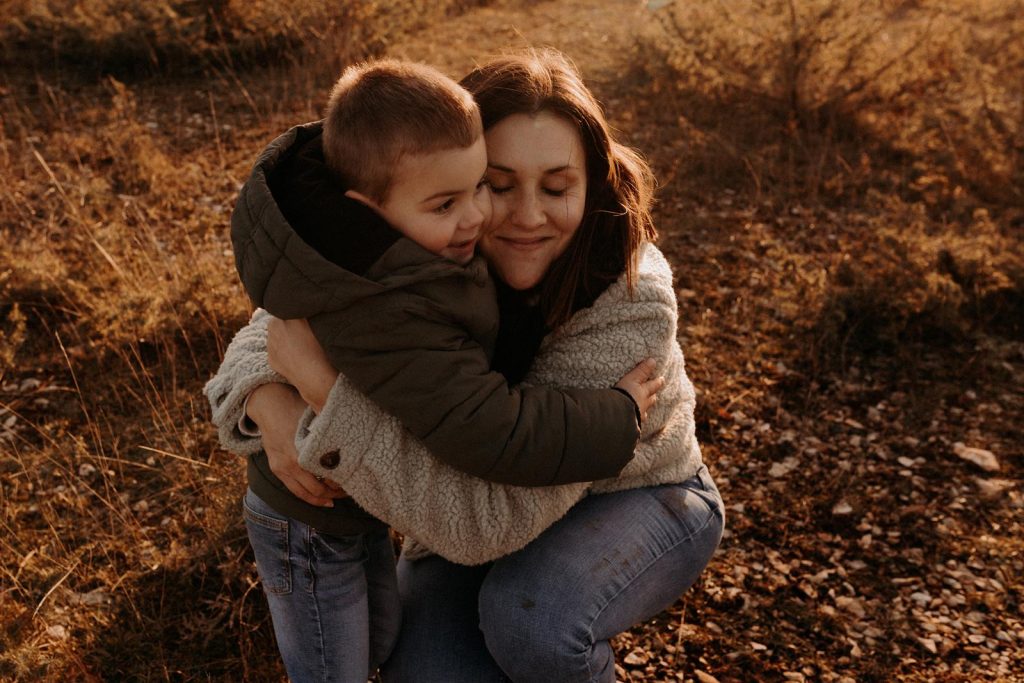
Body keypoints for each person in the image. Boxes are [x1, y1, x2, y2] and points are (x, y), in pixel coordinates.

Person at [207, 49, 724, 682]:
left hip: (635, 493)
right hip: (467, 496)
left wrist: (321, 395)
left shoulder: (627, 300)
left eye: (558, 188)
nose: (525, 217)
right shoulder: (443, 238)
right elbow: (284, 326)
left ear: (594, 185)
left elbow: (483, 524)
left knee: (529, 618)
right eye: (495, 185)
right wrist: (267, 396)